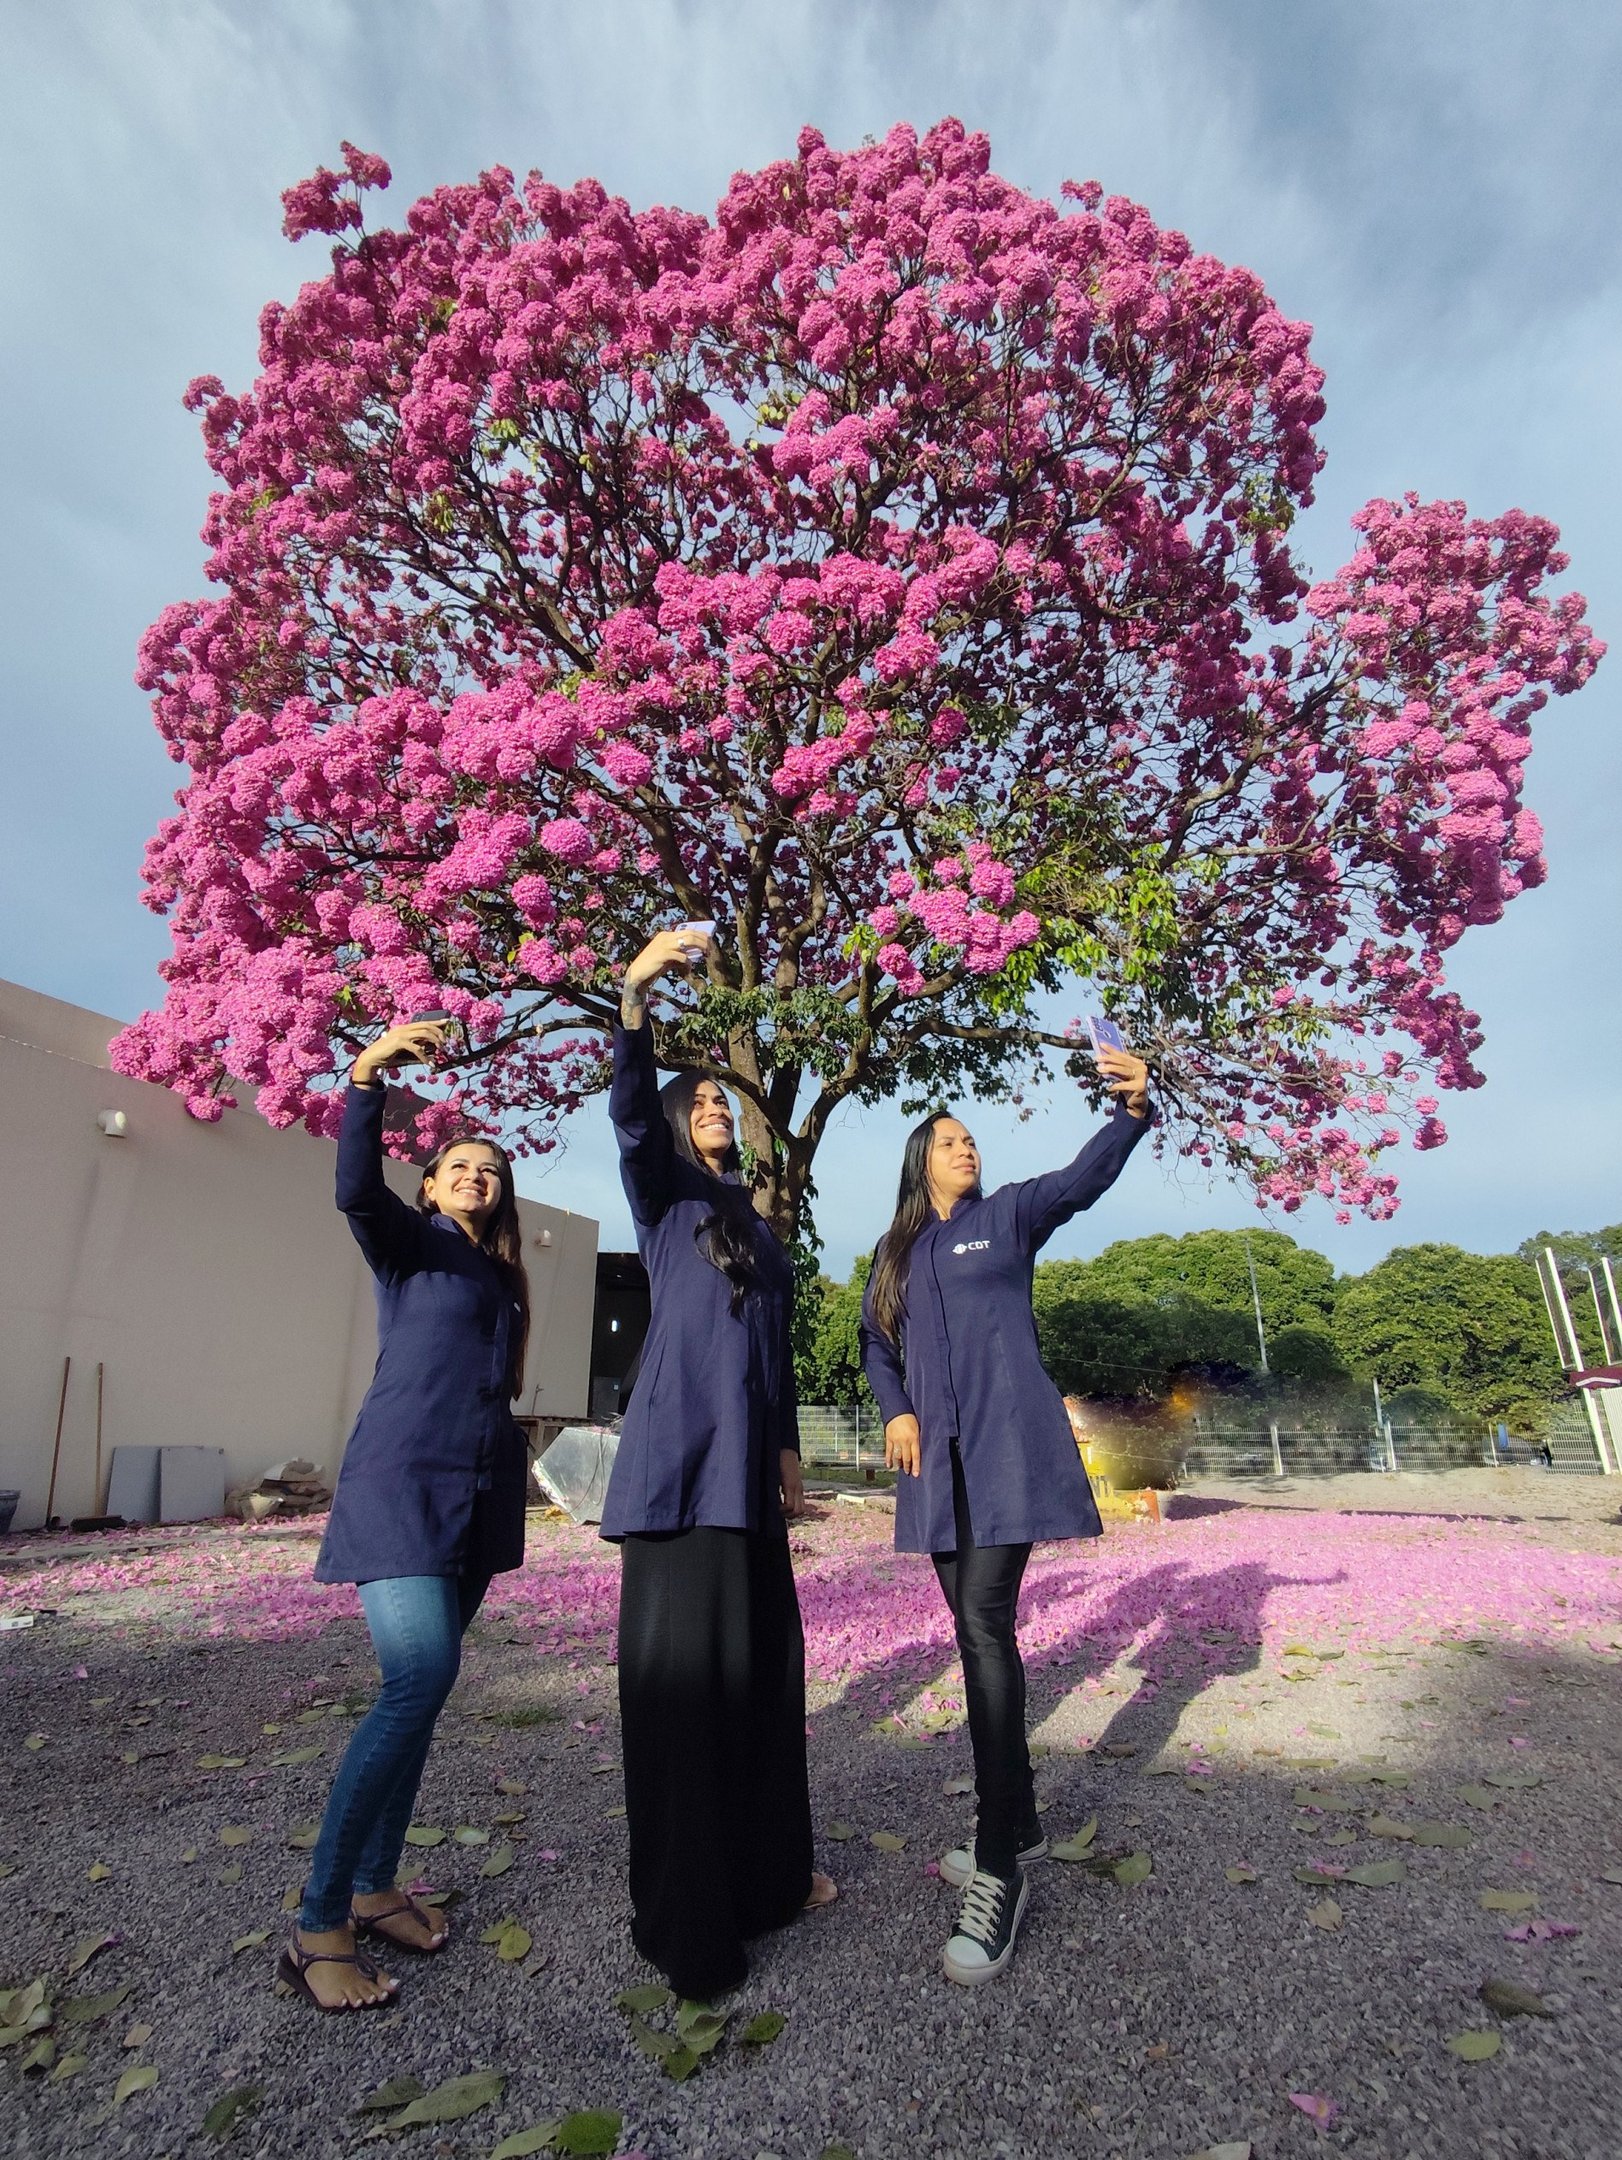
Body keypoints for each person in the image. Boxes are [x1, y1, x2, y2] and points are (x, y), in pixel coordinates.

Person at [860, 1044, 1151, 1986]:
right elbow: (875, 1341)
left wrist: (1134, 1115)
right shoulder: (897, 1249)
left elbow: (1082, 1181)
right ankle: (1018, 1813)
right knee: (972, 1628)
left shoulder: (1010, 1216)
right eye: (949, 1142)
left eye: (971, 1139)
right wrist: (895, 1407)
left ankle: (997, 1863)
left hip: (1008, 1457)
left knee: (984, 1627)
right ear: (920, 1162)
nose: (967, 1148)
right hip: (934, 1467)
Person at [278, 1019, 532, 2012]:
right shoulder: (407, 1244)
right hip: (397, 1483)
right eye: (457, 1165)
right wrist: (365, 1084)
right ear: (429, 1185)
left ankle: (380, 1886)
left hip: (473, 1494)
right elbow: (350, 1188)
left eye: (488, 1168)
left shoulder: (503, 1277)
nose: (475, 1174)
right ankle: (316, 1921)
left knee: (425, 1695)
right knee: (417, 1673)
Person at [602, 924, 834, 2004]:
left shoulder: (756, 1219)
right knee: (681, 1695)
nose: (712, 1112)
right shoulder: (667, 1199)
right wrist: (635, 999)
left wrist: (786, 1445)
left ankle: (767, 1878)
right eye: (694, 1104)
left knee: (756, 1681)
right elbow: (629, 1122)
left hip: (747, 1477)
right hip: (675, 1473)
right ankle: (688, 1917)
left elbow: (771, 1343)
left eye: (718, 1104)